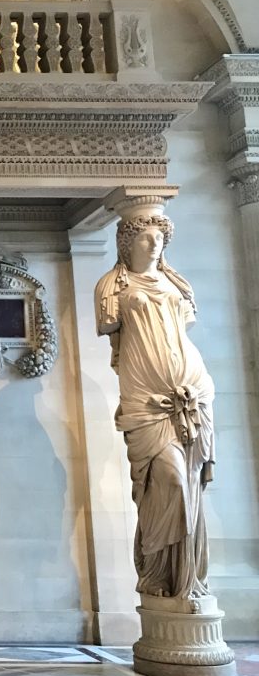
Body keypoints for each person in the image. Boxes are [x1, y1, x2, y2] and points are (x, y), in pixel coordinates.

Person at [95, 215, 214, 599]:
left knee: (190, 485)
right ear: (127, 243)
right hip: (146, 398)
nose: (154, 244)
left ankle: (186, 579)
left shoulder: (176, 283)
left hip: (193, 393)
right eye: (145, 238)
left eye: (159, 238)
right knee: (169, 480)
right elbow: (110, 325)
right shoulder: (113, 285)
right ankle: (158, 572)